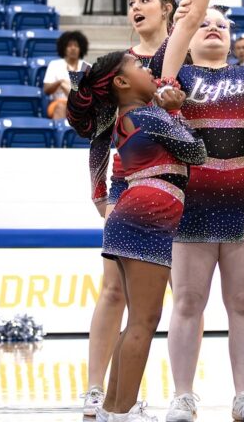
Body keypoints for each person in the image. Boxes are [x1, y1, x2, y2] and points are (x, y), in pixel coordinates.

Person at [150, 6, 244, 422]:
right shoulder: (174, 76)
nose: (214, 29)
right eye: (204, 23)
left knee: (242, 301)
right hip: (190, 200)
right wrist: (182, 23)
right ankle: (182, 395)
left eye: (222, 24)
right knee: (186, 301)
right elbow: (151, 66)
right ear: (188, 32)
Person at [67, 52, 207, 422]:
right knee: (144, 322)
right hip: (148, 212)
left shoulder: (129, 117)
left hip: (132, 212)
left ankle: (114, 407)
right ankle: (119, 410)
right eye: (141, 68)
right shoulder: (149, 115)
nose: (150, 71)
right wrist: (176, 111)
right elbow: (197, 152)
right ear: (122, 83)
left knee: (136, 322)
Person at [81, 0, 189, 417]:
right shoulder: (118, 67)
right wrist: (99, 191)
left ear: (167, 9)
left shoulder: (182, 57)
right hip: (129, 186)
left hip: (176, 182)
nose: (135, 7)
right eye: (131, 3)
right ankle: (96, 390)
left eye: (144, 0)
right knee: (113, 291)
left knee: (157, 299)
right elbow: (98, 138)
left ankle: (128, 397)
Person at [43, 30, 88, 119]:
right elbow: (46, 90)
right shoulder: (54, 64)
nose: (73, 48)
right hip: (59, 102)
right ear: (64, 48)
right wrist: (59, 83)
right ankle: (59, 132)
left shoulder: (86, 67)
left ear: (81, 48)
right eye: (69, 46)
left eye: (76, 46)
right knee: (61, 108)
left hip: (80, 106)